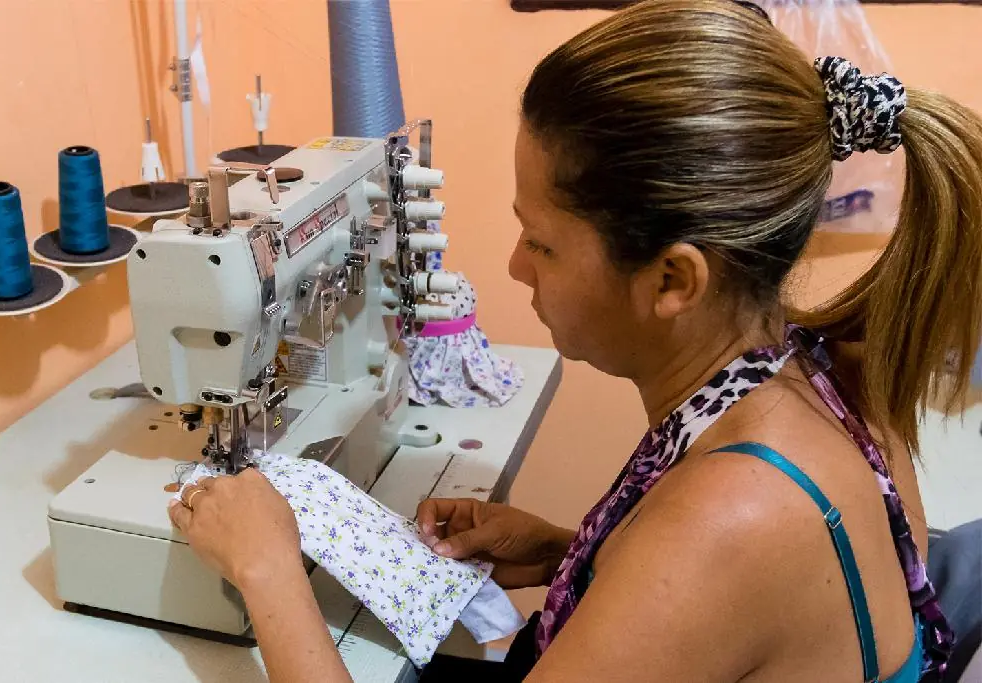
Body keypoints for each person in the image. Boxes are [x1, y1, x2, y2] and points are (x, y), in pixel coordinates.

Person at [167, 0, 982, 680]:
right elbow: (750, 617)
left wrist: (268, 570)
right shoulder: (824, 375)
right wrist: (576, 555)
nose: (515, 267)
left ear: (673, 279)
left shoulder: (730, 517)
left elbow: (716, 567)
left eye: (543, 244)